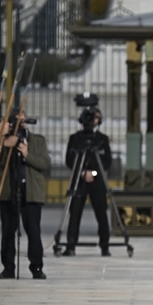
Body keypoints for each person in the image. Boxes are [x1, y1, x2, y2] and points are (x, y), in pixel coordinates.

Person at [0, 111, 50, 279]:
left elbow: (44, 164)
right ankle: (8, 267)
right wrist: (6, 145)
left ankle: (37, 267)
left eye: (23, 121)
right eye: (16, 122)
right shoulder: (4, 141)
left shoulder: (38, 141)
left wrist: (27, 155)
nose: (21, 125)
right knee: (8, 231)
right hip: (9, 191)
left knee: (33, 231)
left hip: (31, 192)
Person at [63, 107, 113, 256]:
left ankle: (105, 245)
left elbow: (106, 162)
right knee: (75, 214)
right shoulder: (75, 139)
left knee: (101, 214)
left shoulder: (102, 140)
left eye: (95, 117)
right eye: (90, 117)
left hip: (97, 183)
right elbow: (69, 160)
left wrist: (94, 173)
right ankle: (70, 245)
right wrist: (83, 173)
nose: (92, 121)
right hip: (80, 181)